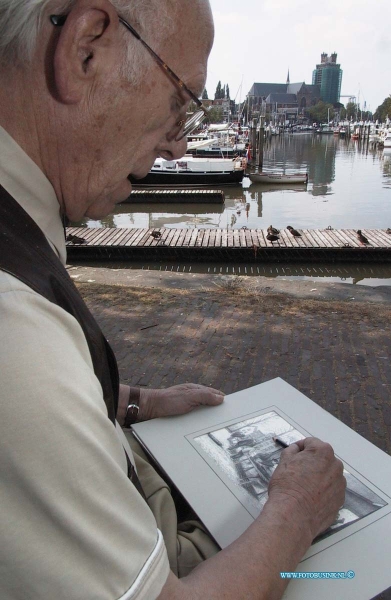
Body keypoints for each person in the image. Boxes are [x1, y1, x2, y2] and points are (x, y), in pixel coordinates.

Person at [0, 1, 346, 599]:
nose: (175, 147)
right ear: (86, 49)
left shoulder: (22, 223)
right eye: (179, 100)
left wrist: (128, 401)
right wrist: (296, 508)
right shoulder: (17, 333)